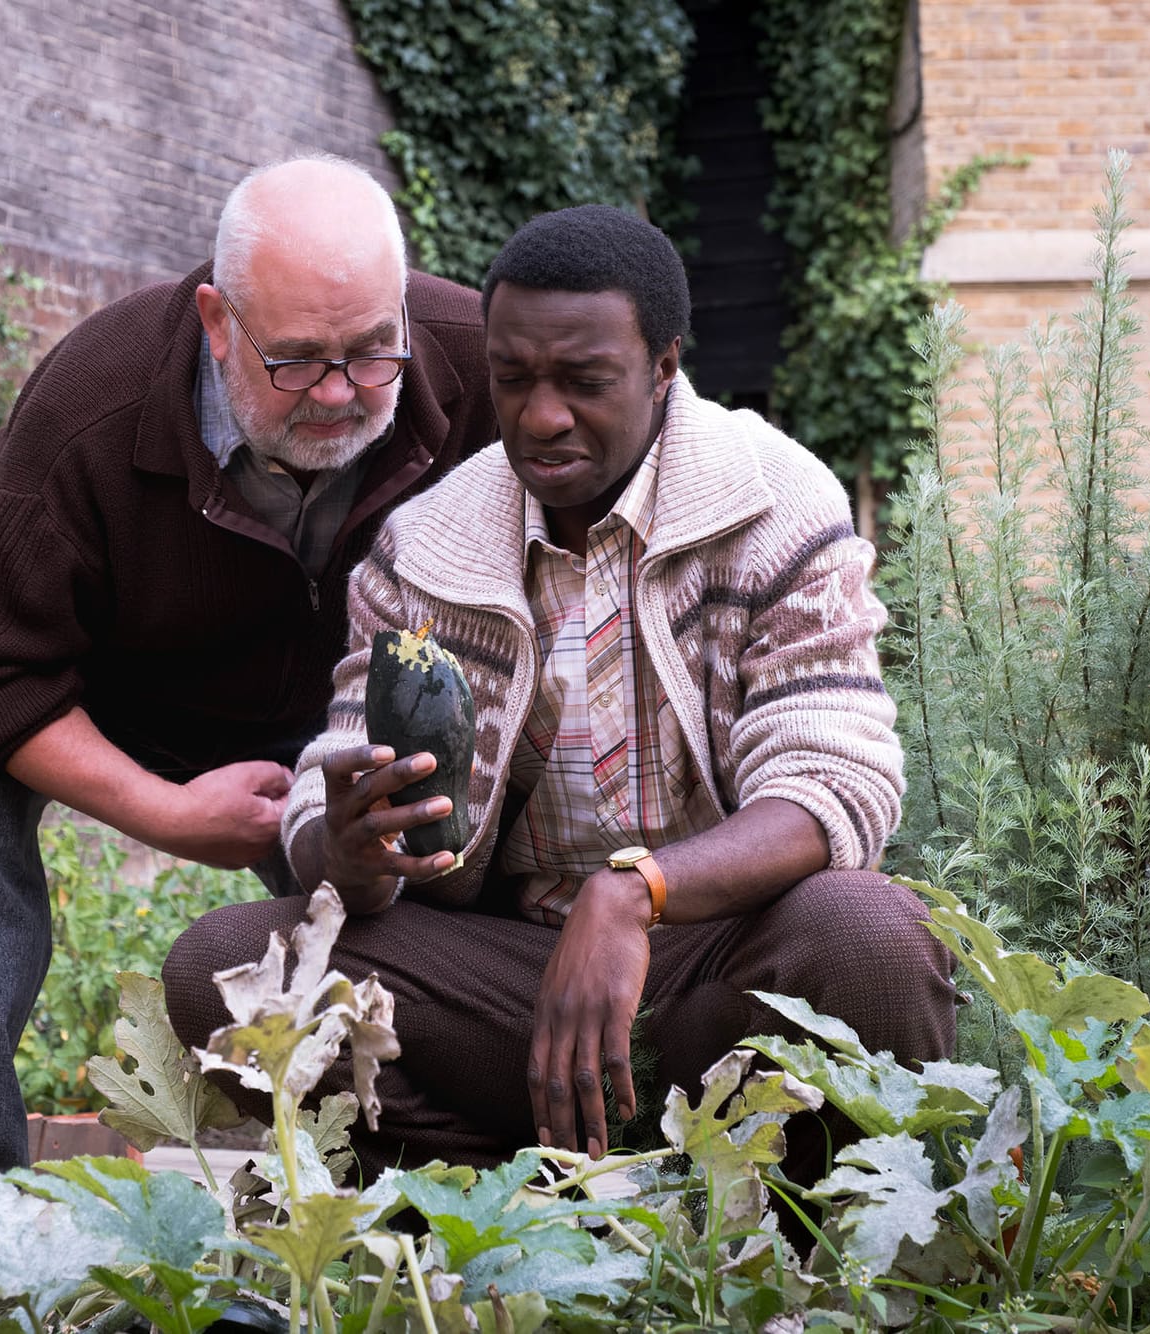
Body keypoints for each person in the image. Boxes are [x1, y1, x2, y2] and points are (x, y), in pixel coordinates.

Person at [163, 204, 957, 1188]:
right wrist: (353, 848)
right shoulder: (425, 547)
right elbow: (331, 804)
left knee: (870, 934)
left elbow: (833, 785)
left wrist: (632, 894)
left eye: (583, 382)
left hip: (711, 972)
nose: (540, 416)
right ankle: (511, 1205)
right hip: (506, 990)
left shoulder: (774, 503)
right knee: (225, 966)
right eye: (512, 378)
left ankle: (807, 1234)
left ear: (663, 365)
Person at [0, 155, 500, 1210]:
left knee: (391, 878)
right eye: (295, 362)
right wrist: (163, 808)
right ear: (215, 319)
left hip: (326, 669)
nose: (340, 393)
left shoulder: (472, 361)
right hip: (70, 644)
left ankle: (398, 1194)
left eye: (368, 354)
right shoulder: (88, 411)